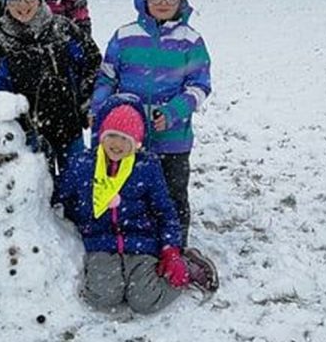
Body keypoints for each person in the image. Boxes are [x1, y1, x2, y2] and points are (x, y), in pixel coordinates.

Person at [56, 95, 217, 313]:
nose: (117, 144)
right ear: (102, 136)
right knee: (102, 298)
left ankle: (189, 267)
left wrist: (171, 250)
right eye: (112, 135)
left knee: (145, 301)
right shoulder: (83, 165)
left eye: (126, 139)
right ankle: (118, 282)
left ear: (137, 143)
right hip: (100, 242)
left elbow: (165, 212)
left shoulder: (146, 167)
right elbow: (58, 192)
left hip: (140, 242)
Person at [90, 0, 211, 245]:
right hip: (126, 137)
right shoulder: (125, 36)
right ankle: (138, 245)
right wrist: (99, 108)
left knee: (172, 195)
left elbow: (199, 86)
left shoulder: (190, 41)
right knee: (132, 193)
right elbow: (107, 78)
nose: (163, 2)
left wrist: (172, 112)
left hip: (172, 139)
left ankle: (174, 246)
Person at [0, 0, 101, 176]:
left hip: (69, 126)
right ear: (6, 3)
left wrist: (87, 102)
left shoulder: (63, 30)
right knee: (40, 189)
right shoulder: (1, 44)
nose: (23, 5)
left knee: (79, 181)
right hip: (29, 134)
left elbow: (92, 64)